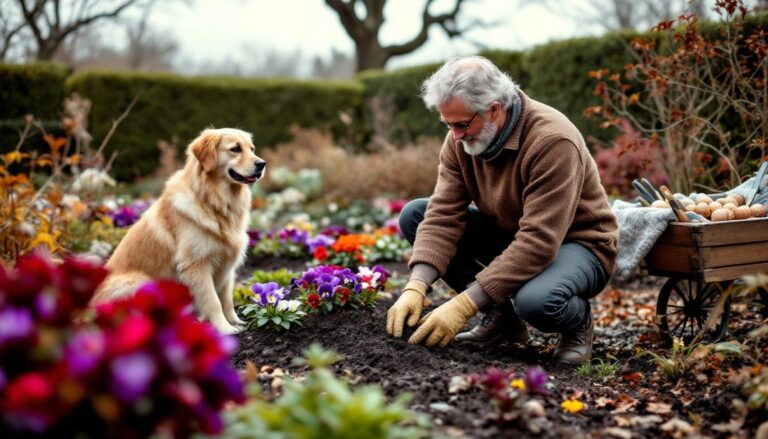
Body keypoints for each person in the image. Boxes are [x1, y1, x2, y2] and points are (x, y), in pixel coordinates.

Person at [385, 56, 618, 364]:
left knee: (536, 301)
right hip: (516, 232)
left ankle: (577, 324)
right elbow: (442, 214)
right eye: (447, 124)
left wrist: (465, 304)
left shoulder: (552, 140)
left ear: (494, 109)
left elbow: (538, 241)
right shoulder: (461, 138)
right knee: (415, 214)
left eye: (461, 124)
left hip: (579, 244)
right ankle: (502, 321)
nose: (454, 135)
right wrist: (416, 286)